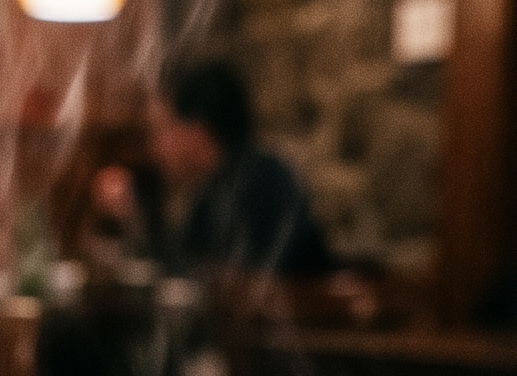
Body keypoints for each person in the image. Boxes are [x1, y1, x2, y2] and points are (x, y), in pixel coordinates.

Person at [88, 60, 333, 280]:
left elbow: (235, 286)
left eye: (162, 129)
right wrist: (134, 220)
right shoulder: (219, 189)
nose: (154, 147)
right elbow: (185, 274)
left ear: (197, 130)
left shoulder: (265, 185)